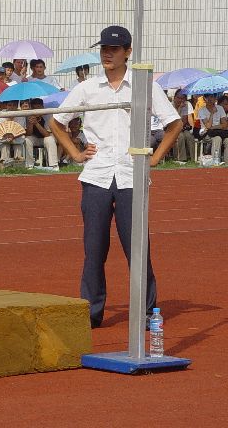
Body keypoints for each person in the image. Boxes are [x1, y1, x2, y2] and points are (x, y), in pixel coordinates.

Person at [51, 25, 181, 329]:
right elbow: (58, 122)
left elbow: (174, 124)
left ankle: (147, 312)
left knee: (137, 248)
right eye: (104, 49)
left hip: (131, 177)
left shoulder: (144, 85)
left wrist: (154, 158)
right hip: (96, 176)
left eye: (114, 49)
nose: (107, 54)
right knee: (93, 249)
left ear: (128, 52)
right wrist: (74, 153)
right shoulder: (87, 88)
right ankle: (92, 313)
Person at [25, 98, 59, 171]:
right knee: (27, 140)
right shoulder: (28, 115)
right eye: (34, 108)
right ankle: (29, 165)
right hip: (34, 138)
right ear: (31, 108)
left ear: (42, 107)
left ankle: (54, 165)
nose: (37, 110)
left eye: (39, 107)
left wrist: (36, 123)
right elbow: (28, 133)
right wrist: (31, 123)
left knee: (50, 139)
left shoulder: (48, 116)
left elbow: (47, 134)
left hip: (45, 137)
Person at [197, 92, 228, 165]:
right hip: (206, 134)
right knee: (217, 138)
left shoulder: (220, 108)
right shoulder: (202, 110)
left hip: (218, 132)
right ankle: (215, 161)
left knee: (227, 140)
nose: (211, 99)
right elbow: (207, 126)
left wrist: (213, 127)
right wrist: (212, 113)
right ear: (205, 99)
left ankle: (227, 163)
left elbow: (225, 124)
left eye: (213, 97)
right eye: (209, 97)